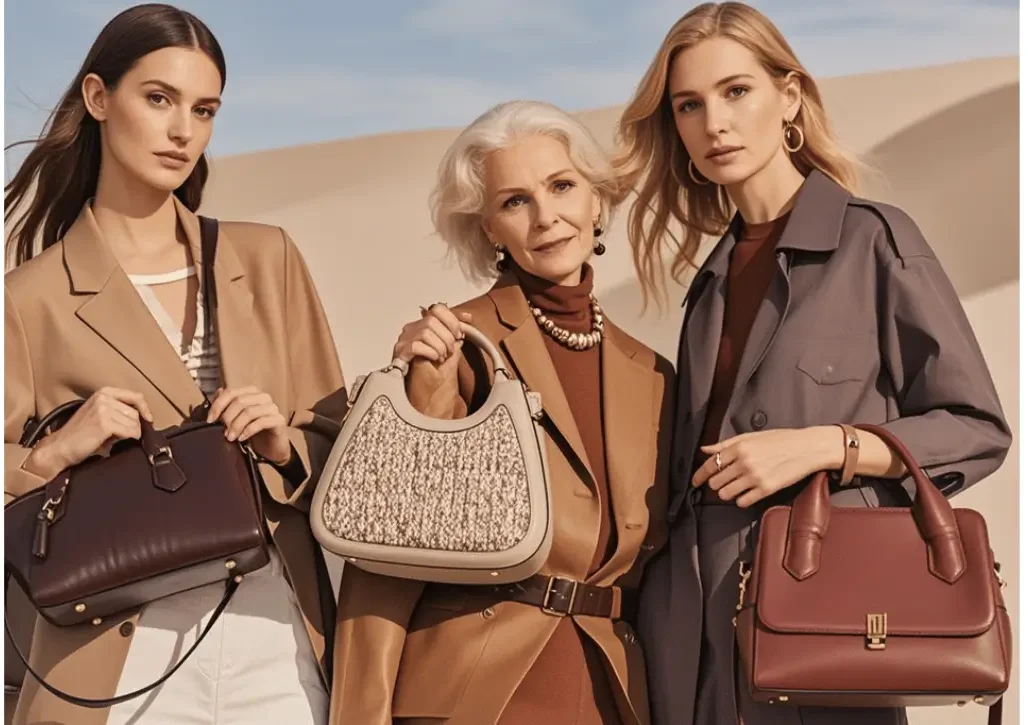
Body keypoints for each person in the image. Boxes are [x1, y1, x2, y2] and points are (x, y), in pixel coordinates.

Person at [612, 3, 1012, 724]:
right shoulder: (708, 285)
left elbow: (977, 425)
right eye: (690, 106)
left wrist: (827, 445)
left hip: (823, 631)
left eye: (738, 91)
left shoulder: (874, 241)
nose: (715, 124)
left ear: (788, 97)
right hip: (693, 651)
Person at [4, 5, 347, 725]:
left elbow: (341, 443)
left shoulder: (266, 257)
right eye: (158, 99)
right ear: (99, 99)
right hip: (112, 653)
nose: (183, 129)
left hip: (274, 634)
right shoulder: (28, 298)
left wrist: (283, 446)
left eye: (204, 108)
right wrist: (57, 449)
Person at [328, 100, 675, 725]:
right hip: (476, 692)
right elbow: (385, 558)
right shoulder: (455, 344)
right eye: (515, 201)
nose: (546, 217)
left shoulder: (653, 374)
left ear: (596, 199)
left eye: (562, 186)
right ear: (489, 228)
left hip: (611, 691)